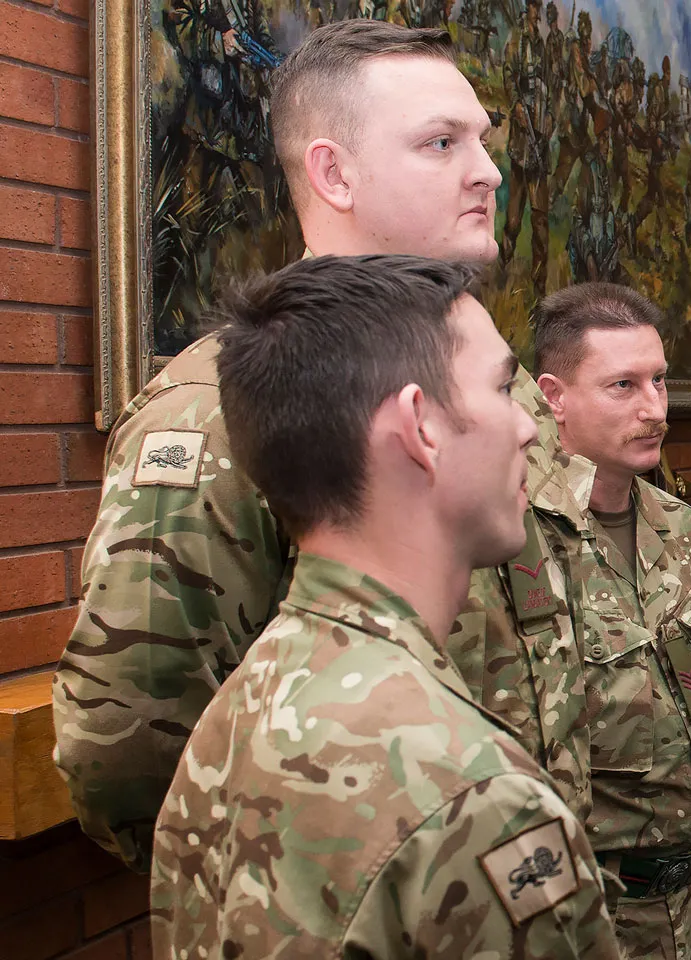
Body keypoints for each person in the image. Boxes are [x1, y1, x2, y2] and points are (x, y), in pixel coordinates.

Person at [53, 19, 592, 873]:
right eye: (441, 142)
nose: (487, 171)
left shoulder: (499, 386)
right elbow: (125, 753)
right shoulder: (212, 412)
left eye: (483, 142)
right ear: (333, 173)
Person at [148, 254, 616, 958]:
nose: (527, 428)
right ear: (421, 429)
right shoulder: (477, 797)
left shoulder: (243, 700)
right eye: (502, 388)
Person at [531, 284, 691, 959]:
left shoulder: (682, 529)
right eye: (623, 385)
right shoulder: (516, 541)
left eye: (660, 380)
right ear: (554, 396)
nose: (654, 409)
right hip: (585, 914)